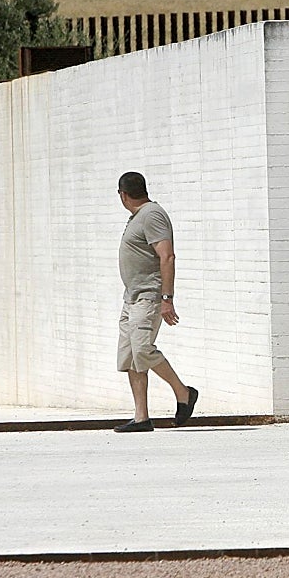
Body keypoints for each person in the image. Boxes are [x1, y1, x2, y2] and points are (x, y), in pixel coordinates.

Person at [113, 171, 199, 432]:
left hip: (149, 297)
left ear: (122, 194)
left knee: (142, 350)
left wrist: (166, 299)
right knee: (131, 358)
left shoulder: (152, 215)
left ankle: (183, 392)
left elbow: (168, 257)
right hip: (131, 298)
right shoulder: (139, 217)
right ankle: (141, 417)